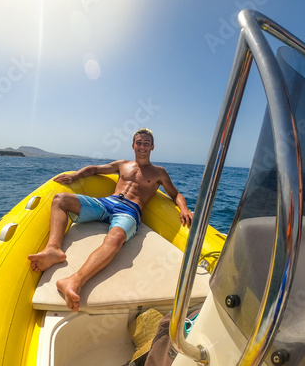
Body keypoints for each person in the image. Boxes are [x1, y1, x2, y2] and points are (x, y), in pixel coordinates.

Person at [28, 128, 193, 311]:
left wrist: (184, 208)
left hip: (129, 211)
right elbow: (96, 169)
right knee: (60, 199)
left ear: (152, 147)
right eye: (139, 142)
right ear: (133, 145)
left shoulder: (159, 172)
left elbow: (175, 193)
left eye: (146, 143)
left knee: (115, 239)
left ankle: (74, 281)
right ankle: (53, 250)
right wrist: (76, 175)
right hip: (107, 203)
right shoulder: (123, 164)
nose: (142, 146)